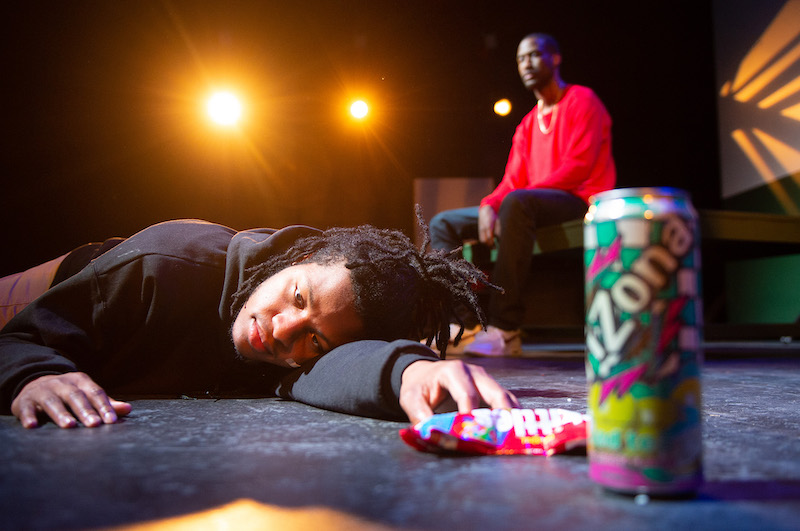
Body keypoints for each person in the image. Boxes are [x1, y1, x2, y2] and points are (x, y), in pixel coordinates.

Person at [0, 215, 518, 429]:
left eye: (314, 340)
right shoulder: (165, 265)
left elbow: (340, 365)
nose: (283, 329)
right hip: (43, 290)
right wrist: (33, 372)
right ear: (295, 260)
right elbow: (18, 339)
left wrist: (411, 373)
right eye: (297, 295)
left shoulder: (298, 346)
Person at [429, 33, 616, 356]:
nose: (526, 63)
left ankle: (505, 328)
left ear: (555, 58)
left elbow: (579, 167)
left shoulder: (582, 100)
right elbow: (512, 180)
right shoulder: (528, 124)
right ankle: (459, 325)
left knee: (516, 203)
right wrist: (490, 204)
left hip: (579, 200)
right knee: (443, 223)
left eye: (534, 55)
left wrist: (512, 202)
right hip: (530, 203)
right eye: (520, 58)